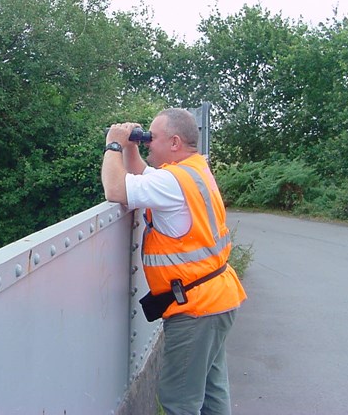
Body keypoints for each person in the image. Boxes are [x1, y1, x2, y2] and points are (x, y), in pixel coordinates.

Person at [101, 108, 247, 415]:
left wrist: (114, 144)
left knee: (180, 402)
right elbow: (142, 175)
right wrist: (131, 147)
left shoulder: (173, 182)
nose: (149, 143)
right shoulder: (193, 171)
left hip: (195, 309)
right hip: (217, 299)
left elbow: (115, 189)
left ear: (175, 142)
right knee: (212, 394)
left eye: (153, 138)